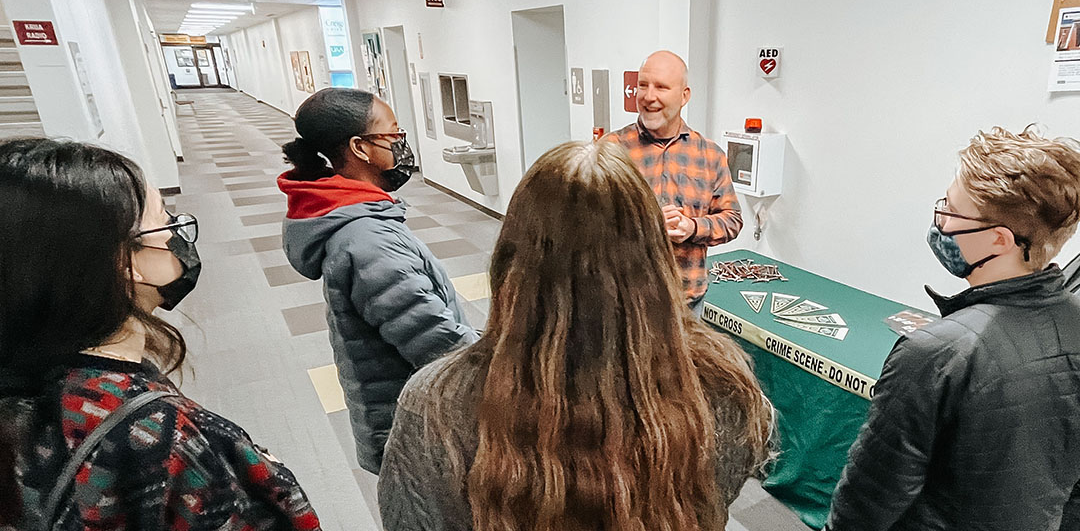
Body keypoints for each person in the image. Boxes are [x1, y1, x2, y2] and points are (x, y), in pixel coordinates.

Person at [378, 141, 773, 531]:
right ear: (656, 259)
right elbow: (719, 495)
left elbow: (412, 519)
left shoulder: (437, 402)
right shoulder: (723, 382)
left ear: (509, 260)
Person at [0, 138, 320, 530]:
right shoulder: (165, 439)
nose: (177, 232)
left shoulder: (26, 389)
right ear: (124, 261)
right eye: (165, 219)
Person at [826, 126, 1080, 530]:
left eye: (951, 211)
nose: (940, 220)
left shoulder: (934, 352)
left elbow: (868, 500)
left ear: (999, 240)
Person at [277, 89, 477, 484]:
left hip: (407, 417)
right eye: (393, 134)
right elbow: (438, 344)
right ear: (360, 148)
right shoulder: (368, 242)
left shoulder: (358, 218)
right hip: (417, 432)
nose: (402, 144)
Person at [604, 50, 742, 313]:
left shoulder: (709, 154)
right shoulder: (612, 150)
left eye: (661, 87)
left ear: (684, 96)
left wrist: (692, 227)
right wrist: (650, 226)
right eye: (642, 85)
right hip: (626, 305)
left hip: (687, 305)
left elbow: (732, 220)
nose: (648, 96)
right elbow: (588, 224)